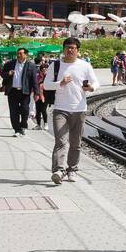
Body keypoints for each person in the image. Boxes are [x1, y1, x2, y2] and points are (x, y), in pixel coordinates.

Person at [45, 37, 99, 185]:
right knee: (61, 141)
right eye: (67, 47)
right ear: (63, 49)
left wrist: (91, 88)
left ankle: (72, 169)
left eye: (73, 48)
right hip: (60, 109)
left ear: (78, 50)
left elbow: (96, 82)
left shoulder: (85, 66)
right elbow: (46, 85)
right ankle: (58, 170)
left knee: (76, 143)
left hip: (80, 109)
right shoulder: (55, 66)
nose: (70, 50)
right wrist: (60, 83)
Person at [1, 48, 39, 137]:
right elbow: (2, 74)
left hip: (24, 91)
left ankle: (23, 126)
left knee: (25, 110)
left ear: (26, 55)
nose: (18, 55)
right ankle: (17, 129)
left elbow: (34, 80)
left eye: (21, 54)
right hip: (12, 91)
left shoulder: (31, 65)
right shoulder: (10, 64)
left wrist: (36, 92)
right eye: (18, 53)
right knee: (13, 112)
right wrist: (8, 73)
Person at [35, 55, 54, 131]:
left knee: (43, 110)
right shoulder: (38, 77)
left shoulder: (49, 77)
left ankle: (46, 124)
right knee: (38, 111)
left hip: (45, 96)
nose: (44, 70)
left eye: (45, 69)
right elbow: (35, 85)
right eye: (43, 69)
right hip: (38, 95)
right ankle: (38, 125)